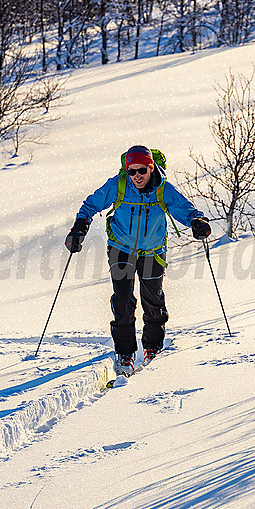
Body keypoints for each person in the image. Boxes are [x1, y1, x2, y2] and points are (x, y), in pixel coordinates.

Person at [65, 145, 211, 376]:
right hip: (120, 248)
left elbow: (184, 209)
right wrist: (79, 227)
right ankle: (125, 352)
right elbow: (91, 204)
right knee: (123, 299)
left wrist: (197, 222)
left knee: (152, 299)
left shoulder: (163, 189)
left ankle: (152, 346)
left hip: (153, 250)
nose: (137, 176)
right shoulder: (118, 184)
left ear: (151, 167)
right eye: (131, 171)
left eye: (141, 170)